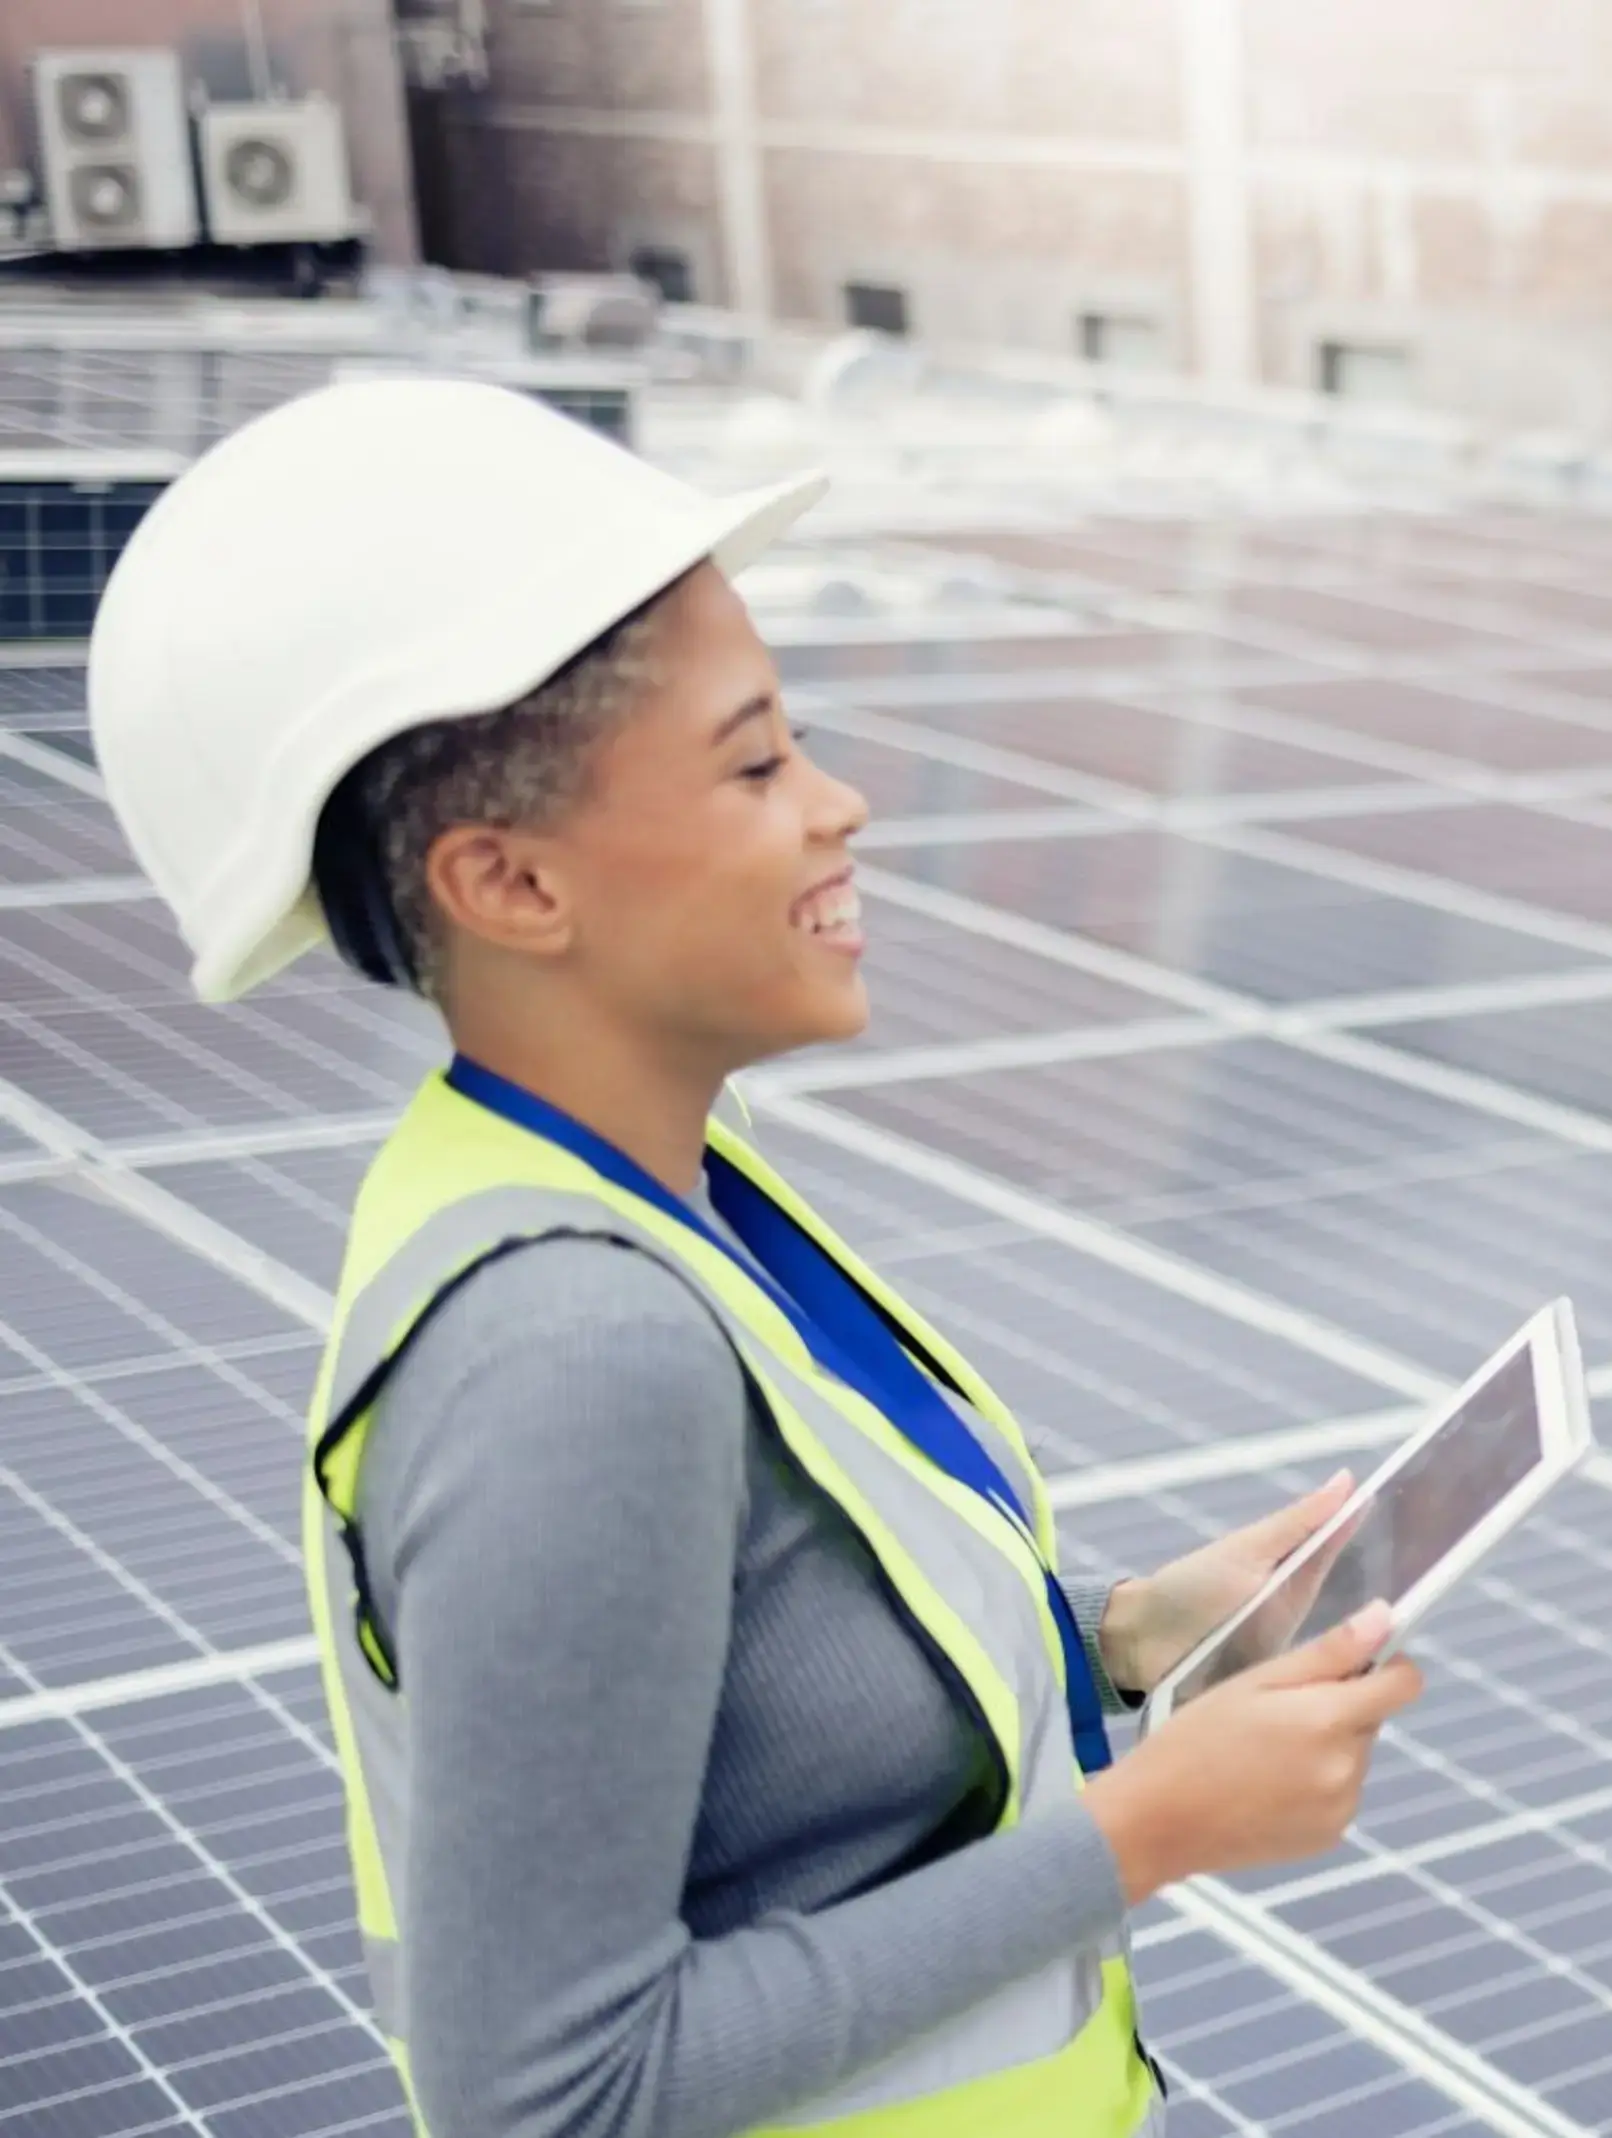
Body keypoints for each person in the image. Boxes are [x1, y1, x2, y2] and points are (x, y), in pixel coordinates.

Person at [88, 378, 1425, 2138]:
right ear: (509, 882)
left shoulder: (655, 1179)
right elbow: (553, 2094)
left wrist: (1117, 1638)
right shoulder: (573, 1342)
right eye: (755, 760)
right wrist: (1155, 1824)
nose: (842, 803)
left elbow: (769, 1722)